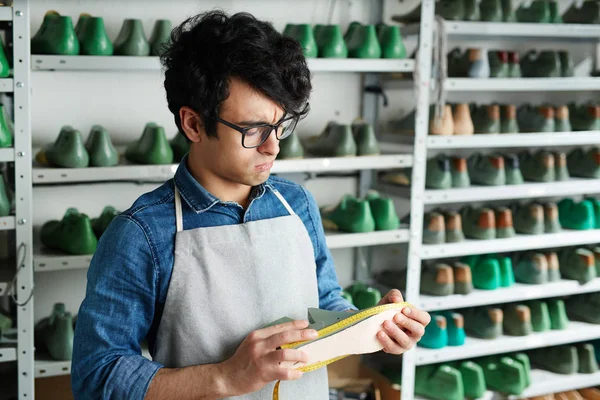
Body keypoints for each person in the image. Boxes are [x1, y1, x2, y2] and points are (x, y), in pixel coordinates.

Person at [71, 10, 430, 400]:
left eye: (280, 125)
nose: (273, 146)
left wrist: (371, 326)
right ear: (193, 124)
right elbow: (97, 376)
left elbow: (322, 305)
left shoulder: (296, 204)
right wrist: (227, 377)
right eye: (253, 129)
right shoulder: (141, 234)